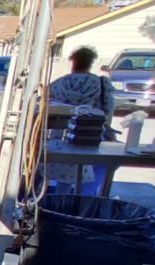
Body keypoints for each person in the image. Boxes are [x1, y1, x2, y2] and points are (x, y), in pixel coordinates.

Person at [46, 46, 115, 195]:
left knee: (58, 171)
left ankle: (54, 201)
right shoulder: (100, 84)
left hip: (59, 137)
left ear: (73, 62)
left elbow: (43, 106)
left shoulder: (59, 83)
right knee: (95, 168)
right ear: (91, 62)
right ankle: (82, 198)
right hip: (90, 135)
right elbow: (108, 108)